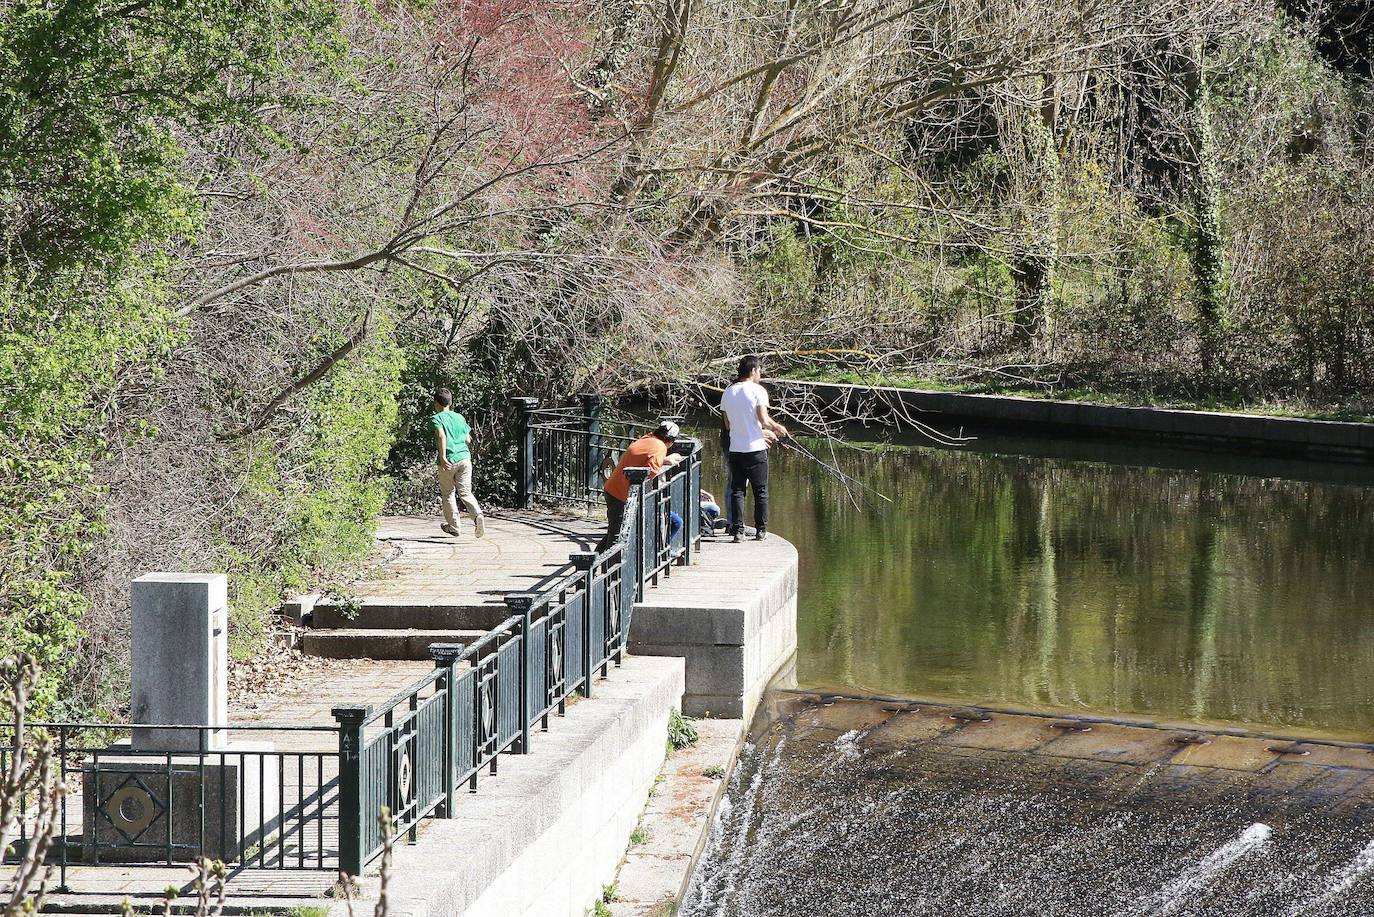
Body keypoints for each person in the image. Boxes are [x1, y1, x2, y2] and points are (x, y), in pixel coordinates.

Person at [720, 356, 788, 542]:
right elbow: (763, 419)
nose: (760, 374)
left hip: (735, 449)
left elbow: (728, 424)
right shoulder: (758, 391)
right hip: (756, 449)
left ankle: (738, 531)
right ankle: (761, 530)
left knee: (738, 490)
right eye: (759, 370)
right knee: (761, 491)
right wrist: (777, 428)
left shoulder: (728, 392)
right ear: (753, 371)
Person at [597, 421, 681, 553]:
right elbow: (651, 472)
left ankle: (592, 567)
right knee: (616, 536)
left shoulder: (648, 438)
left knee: (613, 532)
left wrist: (664, 460)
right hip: (621, 494)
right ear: (671, 440)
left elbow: (642, 458)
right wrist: (665, 459)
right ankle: (610, 571)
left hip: (613, 489)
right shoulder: (660, 447)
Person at [431, 387, 486, 539]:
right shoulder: (460, 418)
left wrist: (443, 457)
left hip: (448, 461)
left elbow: (441, 436)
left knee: (448, 493)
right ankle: (477, 515)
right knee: (465, 492)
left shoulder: (437, 418)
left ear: (436, 403)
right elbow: (468, 439)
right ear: (451, 403)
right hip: (464, 459)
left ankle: (454, 526)